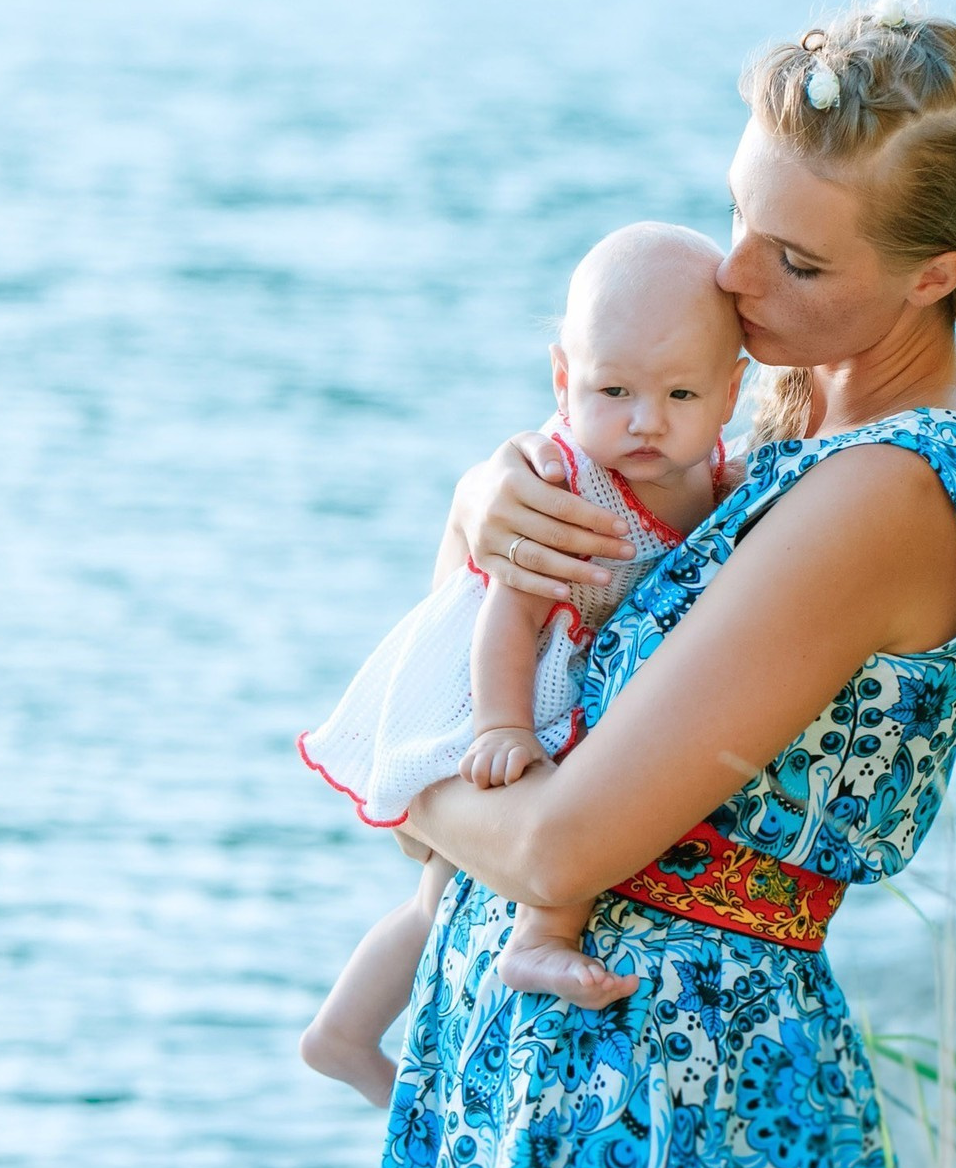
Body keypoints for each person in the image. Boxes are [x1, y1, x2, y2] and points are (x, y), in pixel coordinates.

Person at [374, 0, 956, 1168]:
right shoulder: (761, 429)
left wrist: (392, 768)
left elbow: (554, 847)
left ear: (934, 274)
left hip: (671, 1103)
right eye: (740, 215)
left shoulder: (884, 490)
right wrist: (479, 514)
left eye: (798, 260)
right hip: (539, 1085)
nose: (731, 274)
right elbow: (496, 750)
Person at [295, 223, 748, 1107]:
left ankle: (341, 1033)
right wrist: (502, 726)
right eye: (612, 389)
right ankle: (481, 967)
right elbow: (508, 610)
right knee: (448, 884)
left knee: (436, 897)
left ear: (731, 393)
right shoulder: (571, 484)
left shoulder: (714, 470)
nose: (646, 420)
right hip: (501, 684)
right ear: (561, 380)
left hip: (557, 683)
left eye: (680, 394)